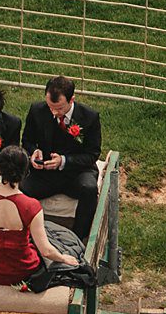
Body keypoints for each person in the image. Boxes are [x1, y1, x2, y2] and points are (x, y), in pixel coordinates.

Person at [0, 149, 84, 287]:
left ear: (0, 169)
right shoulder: (31, 206)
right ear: (25, 172)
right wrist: (63, 258)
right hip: (20, 270)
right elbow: (46, 250)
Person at [22, 75, 104, 237]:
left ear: (71, 99)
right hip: (46, 173)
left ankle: (79, 237)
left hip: (76, 172)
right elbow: (27, 140)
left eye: (59, 108)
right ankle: (29, 235)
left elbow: (92, 154)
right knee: (21, 189)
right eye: (50, 106)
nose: (54, 112)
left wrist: (64, 161)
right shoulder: (37, 110)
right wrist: (33, 152)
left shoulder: (89, 117)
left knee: (89, 189)